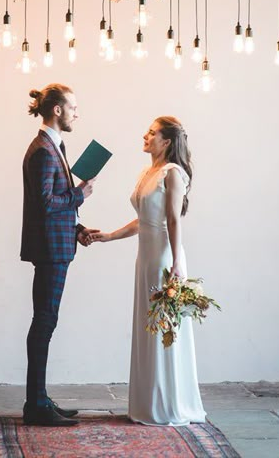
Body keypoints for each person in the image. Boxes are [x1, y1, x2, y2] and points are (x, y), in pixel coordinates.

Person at [91, 116, 206, 426]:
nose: (145, 135)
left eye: (152, 133)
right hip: (145, 258)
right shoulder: (147, 172)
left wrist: (177, 264)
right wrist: (109, 236)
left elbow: (173, 220)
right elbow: (145, 220)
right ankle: (147, 402)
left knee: (165, 329)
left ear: (166, 141)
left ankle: (169, 404)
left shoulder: (173, 173)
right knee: (147, 326)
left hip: (164, 258)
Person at [20, 83, 98, 427]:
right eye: (73, 107)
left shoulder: (54, 147)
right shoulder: (42, 150)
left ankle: (39, 399)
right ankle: (35, 405)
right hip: (50, 251)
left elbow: (53, 205)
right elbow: (47, 204)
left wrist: (78, 229)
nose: (76, 113)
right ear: (57, 110)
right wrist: (80, 194)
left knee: (46, 322)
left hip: (59, 245)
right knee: (44, 323)